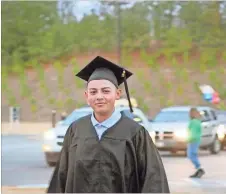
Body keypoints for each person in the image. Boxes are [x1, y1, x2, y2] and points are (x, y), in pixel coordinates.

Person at [47, 56, 170, 193]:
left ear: (117, 94)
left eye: (105, 91)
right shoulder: (76, 130)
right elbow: (61, 177)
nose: (99, 96)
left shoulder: (135, 133)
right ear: (87, 96)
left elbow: (153, 181)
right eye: (93, 92)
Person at [187, 107, 205, 178]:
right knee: (193, 155)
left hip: (193, 140)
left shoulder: (193, 122)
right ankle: (199, 169)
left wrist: (189, 139)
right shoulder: (198, 121)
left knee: (191, 155)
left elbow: (193, 132)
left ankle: (200, 168)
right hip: (196, 140)